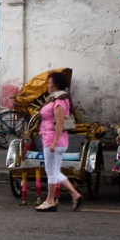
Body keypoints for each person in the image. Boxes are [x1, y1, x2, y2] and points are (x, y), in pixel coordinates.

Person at [35, 71, 83, 212]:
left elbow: (60, 123)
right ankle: (75, 195)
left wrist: (54, 142)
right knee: (54, 171)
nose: (48, 86)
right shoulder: (54, 98)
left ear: (57, 85)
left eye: (50, 83)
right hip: (50, 138)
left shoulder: (60, 100)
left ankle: (50, 201)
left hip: (54, 140)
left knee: (51, 171)